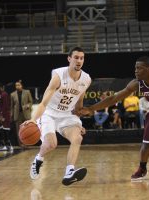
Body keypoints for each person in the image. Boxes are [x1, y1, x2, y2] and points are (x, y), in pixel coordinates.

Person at [24, 47, 91, 186]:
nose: (79, 61)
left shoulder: (86, 79)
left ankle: (69, 173)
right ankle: (38, 159)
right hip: (49, 113)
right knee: (51, 144)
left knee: (77, 138)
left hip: (66, 114)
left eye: (81, 58)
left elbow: (79, 103)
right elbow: (43, 103)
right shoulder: (58, 76)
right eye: (76, 57)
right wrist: (33, 120)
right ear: (69, 59)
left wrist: (79, 122)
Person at [10, 80, 33, 147]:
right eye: (16, 85)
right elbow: (11, 106)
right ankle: (21, 144)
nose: (17, 86)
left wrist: (28, 105)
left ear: (21, 85)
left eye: (18, 85)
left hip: (26, 113)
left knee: (27, 129)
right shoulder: (12, 94)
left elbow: (31, 102)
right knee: (19, 130)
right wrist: (11, 115)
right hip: (17, 114)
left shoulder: (27, 92)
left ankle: (28, 143)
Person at [0, 82, 13, 151]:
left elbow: (5, 106)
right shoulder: (0, 95)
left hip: (4, 115)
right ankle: (5, 145)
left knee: (5, 131)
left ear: (1, 87)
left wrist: (2, 116)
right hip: (2, 115)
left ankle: (8, 145)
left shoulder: (4, 94)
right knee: (2, 130)